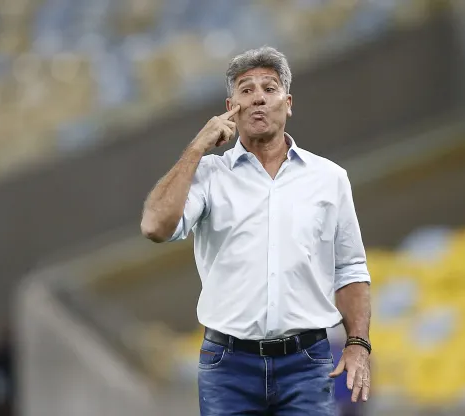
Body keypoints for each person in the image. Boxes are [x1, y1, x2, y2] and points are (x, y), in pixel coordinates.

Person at [140, 46, 372, 416]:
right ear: (231, 107)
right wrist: (196, 148)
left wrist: (358, 343)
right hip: (228, 365)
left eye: (270, 88)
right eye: (246, 90)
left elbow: (351, 269)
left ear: (288, 103)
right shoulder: (208, 176)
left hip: (307, 362)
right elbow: (154, 226)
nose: (259, 98)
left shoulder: (330, 179)